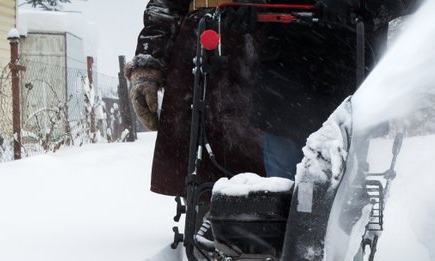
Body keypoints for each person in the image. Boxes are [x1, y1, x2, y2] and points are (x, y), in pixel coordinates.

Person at [125, 0, 417, 195]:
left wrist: (360, 5)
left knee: (340, 188)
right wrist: (245, 8)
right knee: (279, 190)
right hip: (281, 79)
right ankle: (269, 259)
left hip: (351, 72)